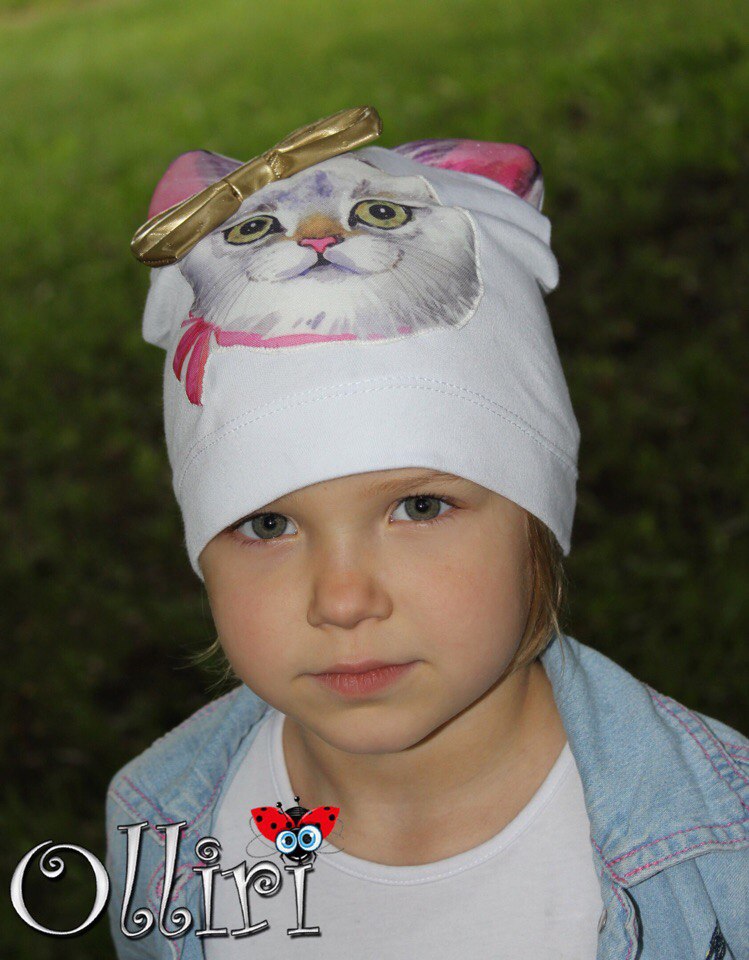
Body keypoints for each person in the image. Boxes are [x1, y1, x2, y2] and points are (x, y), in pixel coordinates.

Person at [105, 109, 748, 960]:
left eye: (417, 508)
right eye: (267, 523)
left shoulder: (722, 857)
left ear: (536, 519)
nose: (342, 600)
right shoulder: (163, 828)